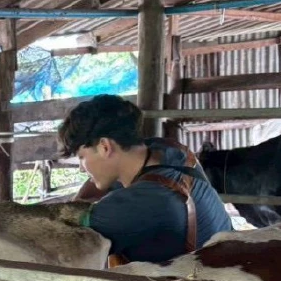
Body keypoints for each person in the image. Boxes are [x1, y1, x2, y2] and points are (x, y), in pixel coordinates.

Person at [58, 94, 232, 265]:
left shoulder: (145, 202)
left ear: (105, 147)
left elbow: (64, 230)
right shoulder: (170, 150)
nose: (81, 168)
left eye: (82, 157)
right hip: (231, 262)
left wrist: (77, 204)